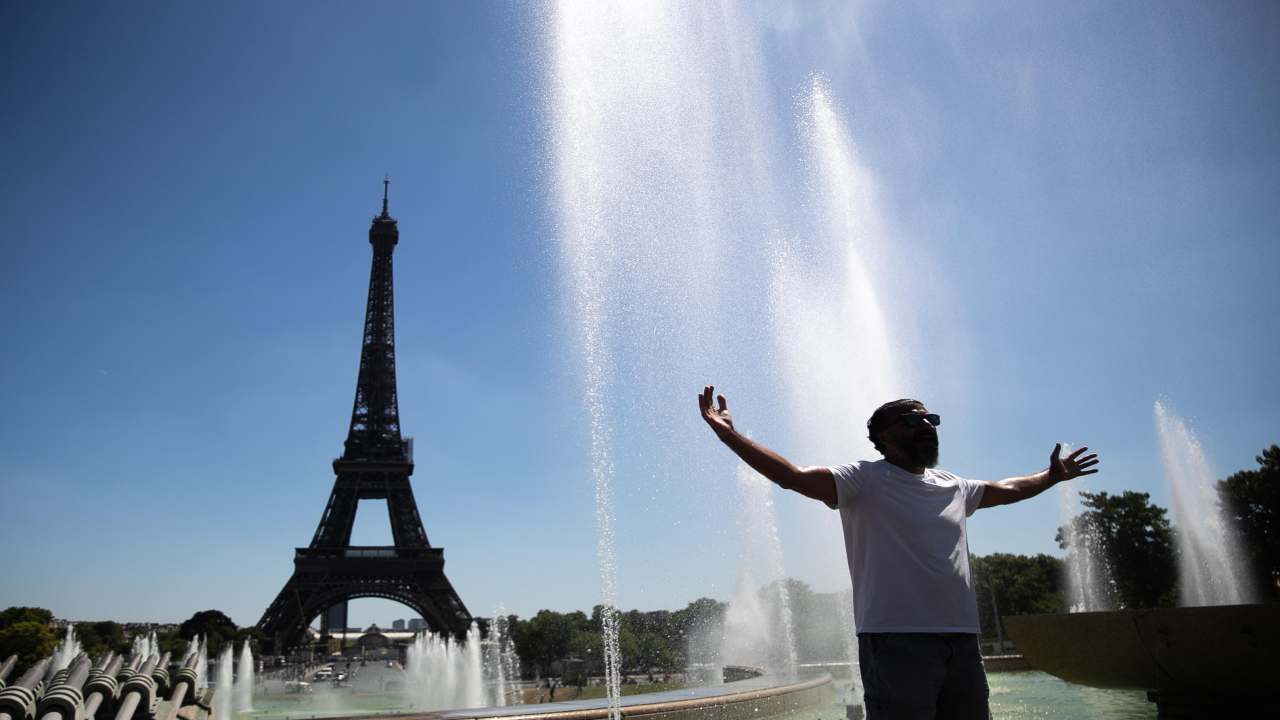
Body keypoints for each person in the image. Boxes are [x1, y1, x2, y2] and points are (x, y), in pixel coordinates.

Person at [697, 386, 1098, 720]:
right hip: (895, 641)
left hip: (961, 640)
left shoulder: (953, 485)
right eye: (911, 420)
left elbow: (1006, 489)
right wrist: (729, 435)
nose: (925, 426)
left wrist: (1051, 476)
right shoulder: (862, 480)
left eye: (930, 420)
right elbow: (793, 478)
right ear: (883, 437)